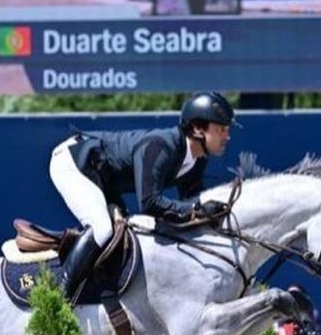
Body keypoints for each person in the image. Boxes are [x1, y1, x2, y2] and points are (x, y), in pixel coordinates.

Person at [49, 91, 236, 298]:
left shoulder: (197, 159)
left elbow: (191, 203)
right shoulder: (160, 146)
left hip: (104, 179)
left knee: (126, 233)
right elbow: (150, 203)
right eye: (220, 129)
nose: (227, 136)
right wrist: (196, 209)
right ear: (198, 128)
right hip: (74, 163)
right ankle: (60, 297)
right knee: (102, 229)